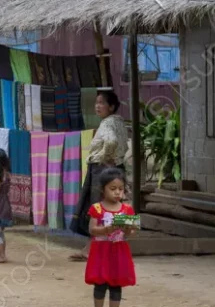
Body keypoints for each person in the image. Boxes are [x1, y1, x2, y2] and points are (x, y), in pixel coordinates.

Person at [70, 91, 129, 261]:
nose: (97, 106)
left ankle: (97, 250)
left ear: (111, 106)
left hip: (101, 171)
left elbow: (110, 142)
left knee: (98, 209)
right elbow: (123, 145)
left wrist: (104, 157)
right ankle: (92, 248)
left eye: (102, 103)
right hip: (117, 168)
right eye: (96, 102)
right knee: (110, 208)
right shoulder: (119, 122)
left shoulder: (107, 124)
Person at [85, 168, 137, 307]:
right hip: (101, 251)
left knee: (116, 284)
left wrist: (128, 230)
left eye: (120, 188)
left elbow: (130, 234)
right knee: (100, 283)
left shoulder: (127, 209)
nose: (117, 192)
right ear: (103, 189)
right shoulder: (96, 208)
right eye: (113, 188)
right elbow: (92, 230)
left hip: (119, 251)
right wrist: (107, 229)